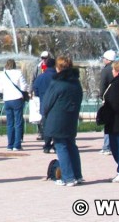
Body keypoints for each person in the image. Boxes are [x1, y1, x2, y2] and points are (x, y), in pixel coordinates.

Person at [41, 55, 84, 186]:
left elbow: (47, 103)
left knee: (61, 146)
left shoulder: (57, 83)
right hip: (71, 118)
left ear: (58, 68)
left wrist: (44, 114)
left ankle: (68, 177)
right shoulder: (76, 83)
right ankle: (77, 175)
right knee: (71, 145)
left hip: (57, 119)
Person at [0, 58, 28, 151]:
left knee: (10, 123)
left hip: (7, 99)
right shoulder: (18, 73)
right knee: (18, 122)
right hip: (17, 98)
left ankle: (10, 144)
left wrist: (5, 90)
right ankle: (17, 145)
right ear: (14, 65)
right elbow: (24, 87)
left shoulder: (2, 74)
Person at [32, 53, 57, 153]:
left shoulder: (41, 77)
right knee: (56, 125)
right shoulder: (58, 76)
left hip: (44, 104)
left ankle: (46, 145)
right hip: (56, 105)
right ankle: (55, 145)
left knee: (46, 125)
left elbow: (36, 90)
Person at [98, 50, 117, 154]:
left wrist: (102, 97)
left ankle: (107, 147)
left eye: (104, 58)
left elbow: (102, 85)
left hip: (108, 99)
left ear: (107, 60)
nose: (103, 60)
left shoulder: (106, 70)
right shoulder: (117, 68)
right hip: (117, 99)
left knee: (108, 123)